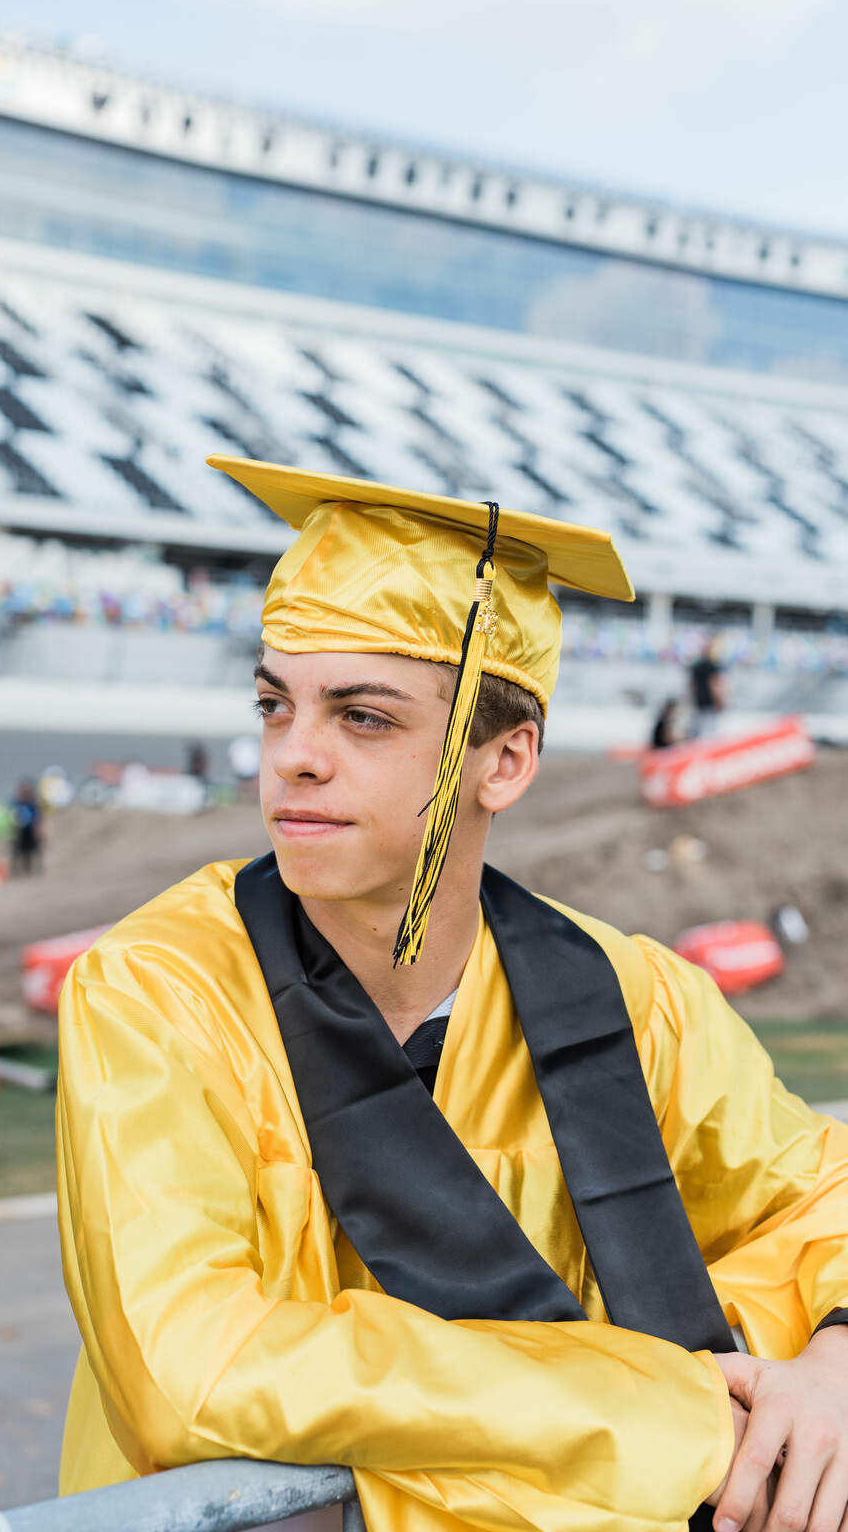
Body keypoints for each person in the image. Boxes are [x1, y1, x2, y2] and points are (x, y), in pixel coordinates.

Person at [56, 456, 848, 1532]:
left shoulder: (636, 998)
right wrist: (652, 1411)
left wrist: (835, 1359)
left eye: (363, 717)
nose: (294, 756)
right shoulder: (160, 992)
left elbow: (815, 1195)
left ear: (506, 761)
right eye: (274, 704)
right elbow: (190, 1366)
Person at [689, 642, 726, 739]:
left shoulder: (695, 667)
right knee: (711, 732)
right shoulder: (712, 667)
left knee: (701, 730)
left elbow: (693, 686)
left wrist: (692, 699)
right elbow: (713, 685)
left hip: (699, 701)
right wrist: (719, 700)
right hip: (709, 701)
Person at [9, 778, 43, 875]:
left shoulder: (33, 804)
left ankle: (34, 871)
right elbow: (11, 818)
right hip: (20, 833)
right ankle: (17, 871)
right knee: (18, 853)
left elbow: (37, 819)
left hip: (30, 832)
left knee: (33, 852)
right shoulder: (16, 804)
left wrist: (39, 831)